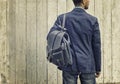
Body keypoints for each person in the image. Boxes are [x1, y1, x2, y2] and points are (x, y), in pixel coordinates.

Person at [48, 0, 101, 84]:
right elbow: (96, 46)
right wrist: (98, 67)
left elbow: (50, 36)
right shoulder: (92, 20)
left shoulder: (62, 18)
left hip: (69, 63)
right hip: (87, 64)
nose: (89, 1)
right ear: (83, 1)